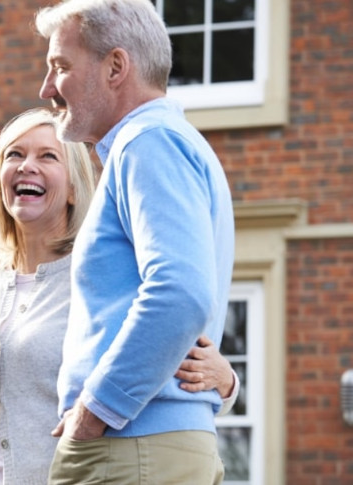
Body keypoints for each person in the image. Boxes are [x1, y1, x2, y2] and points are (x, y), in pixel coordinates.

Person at [0, 108, 237, 484]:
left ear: (74, 188)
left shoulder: (99, 281)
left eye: (47, 156)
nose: (27, 166)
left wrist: (227, 382)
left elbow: (162, 342)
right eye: (14, 155)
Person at [35, 0, 236, 483]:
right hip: (145, 444)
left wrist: (94, 412)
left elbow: (180, 294)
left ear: (116, 67)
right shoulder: (160, 142)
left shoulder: (149, 142)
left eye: (60, 66)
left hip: (130, 446)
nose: (46, 88)